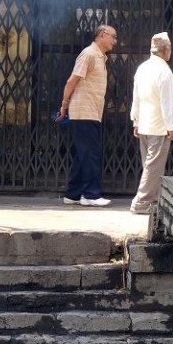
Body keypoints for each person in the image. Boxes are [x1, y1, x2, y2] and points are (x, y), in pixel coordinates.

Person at [59, 24, 118, 207]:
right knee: (91, 154)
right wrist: (64, 104)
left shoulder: (100, 57)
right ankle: (91, 195)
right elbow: (72, 80)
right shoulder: (89, 54)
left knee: (82, 154)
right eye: (113, 37)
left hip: (91, 112)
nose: (115, 41)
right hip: (84, 112)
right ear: (102, 35)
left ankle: (73, 194)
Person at [129, 32, 173, 215]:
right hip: (159, 127)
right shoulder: (164, 71)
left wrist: (135, 120)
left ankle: (153, 201)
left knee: (150, 166)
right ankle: (141, 202)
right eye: (170, 49)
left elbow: (137, 97)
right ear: (166, 50)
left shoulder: (143, 68)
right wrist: (171, 127)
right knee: (153, 166)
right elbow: (168, 102)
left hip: (144, 125)